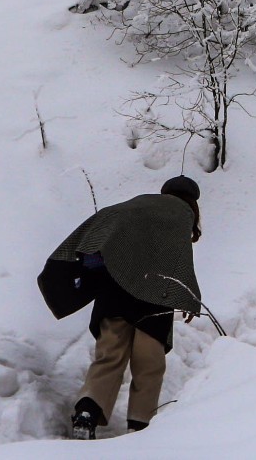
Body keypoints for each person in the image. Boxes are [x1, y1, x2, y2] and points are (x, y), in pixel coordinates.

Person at [38, 176, 205, 439]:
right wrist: (188, 297)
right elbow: (179, 262)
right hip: (155, 301)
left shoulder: (136, 205)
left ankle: (87, 413)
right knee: (148, 364)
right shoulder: (182, 214)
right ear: (193, 202)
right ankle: (140, 426)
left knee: (109, 356)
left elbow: (107, 224)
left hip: (114, 293)